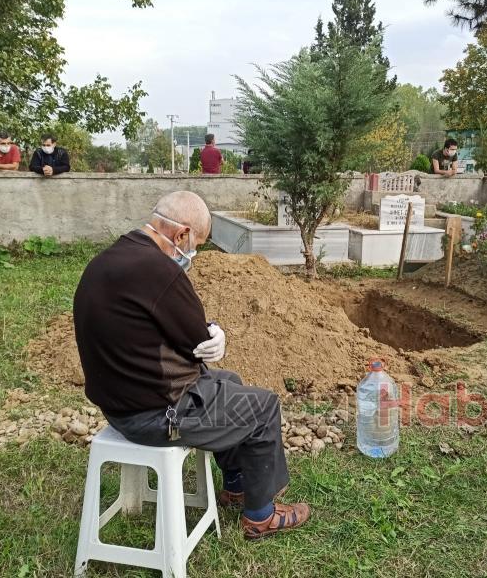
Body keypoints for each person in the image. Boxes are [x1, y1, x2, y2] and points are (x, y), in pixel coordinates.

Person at [72, 191, 310, 539]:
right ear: (181, 234)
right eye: (196, 243)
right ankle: (261, 515)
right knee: (263, 407)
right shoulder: (158, 270)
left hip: (119, 406)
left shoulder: (108, 259)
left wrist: (202, 331)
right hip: (155, 416)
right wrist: (214, 331)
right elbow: (196, 339)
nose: (192, 254)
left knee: (229, 381)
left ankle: (238, 483)